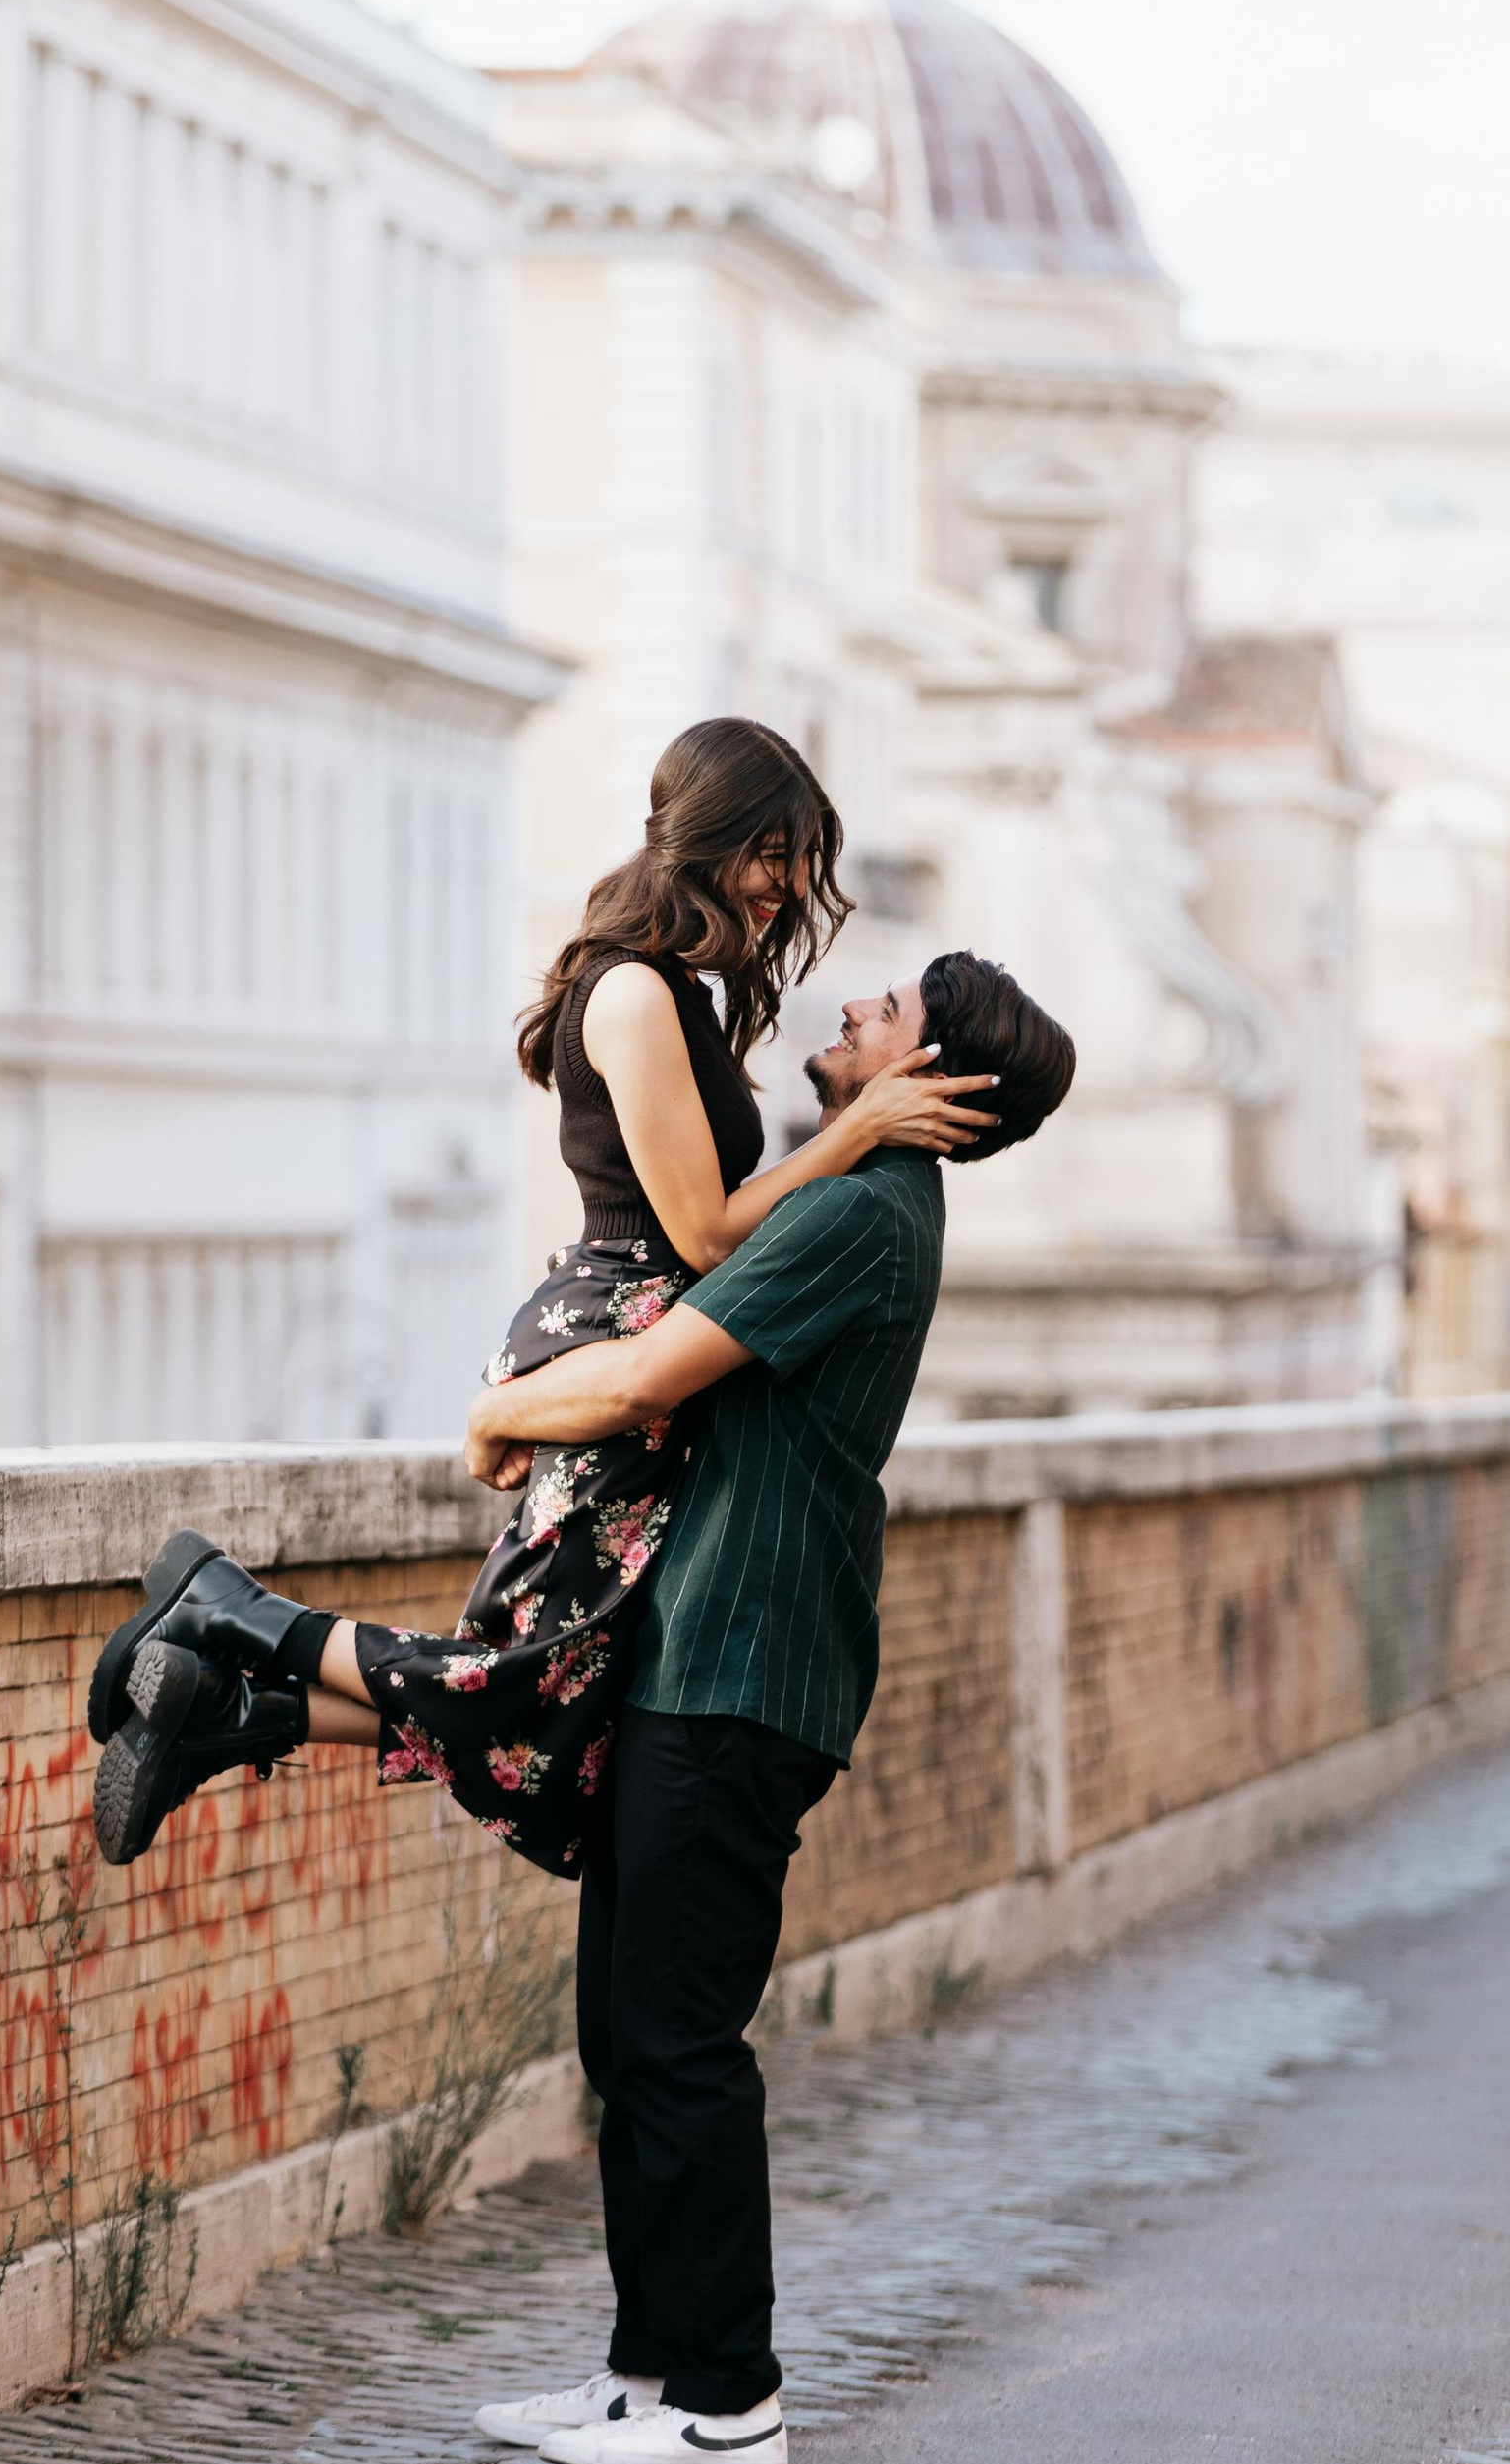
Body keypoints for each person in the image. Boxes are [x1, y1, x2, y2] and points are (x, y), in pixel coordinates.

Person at [85, 717, 992, 1875]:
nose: (793, 885)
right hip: (615, 1339)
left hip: (633, 1338)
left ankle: (239, 1707)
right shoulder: (632, 997)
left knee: (563, 1710)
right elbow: (706, 1231)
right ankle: (229, 1614)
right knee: (537, 1679)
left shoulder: (682, 995)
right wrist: (855, 1129)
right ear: (712, 836)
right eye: (778, 851)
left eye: (803, 858)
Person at [465, 948, 1075, 2464]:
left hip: (748, 1666)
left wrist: (492, 1409)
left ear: (934, 1087)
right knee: (629, 2023)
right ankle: (648, 2376)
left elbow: (649, 1375)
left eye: (892, 1016)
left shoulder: (859, 1213)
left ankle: (730, 2401)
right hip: (708, 1658)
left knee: (677, 2035)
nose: (854, 1008)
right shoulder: (854, 1199)